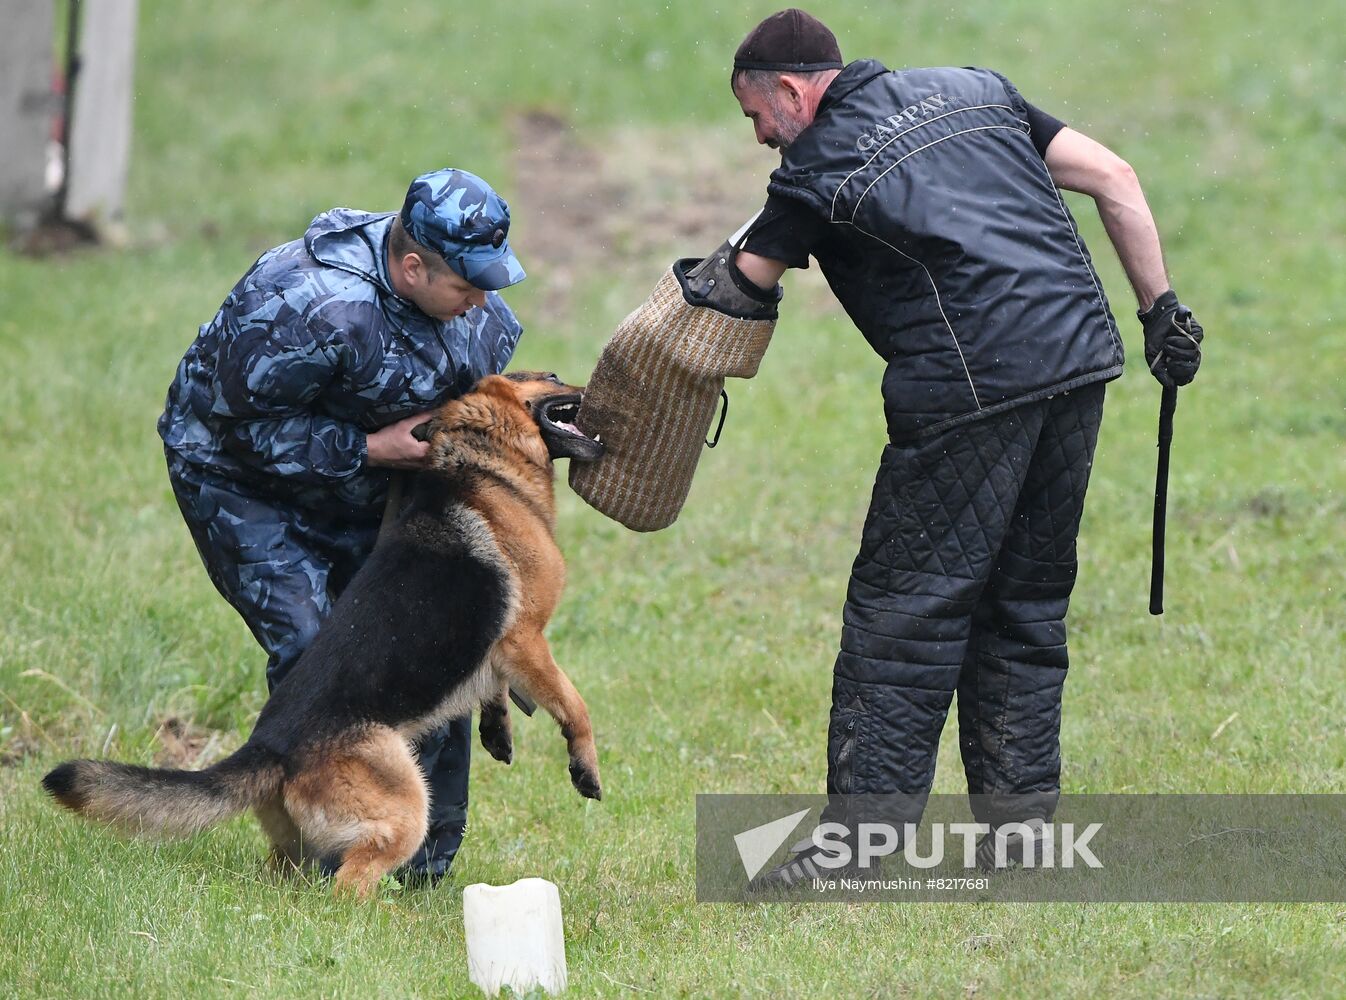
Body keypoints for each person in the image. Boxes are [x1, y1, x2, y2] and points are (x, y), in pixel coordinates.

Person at [719, 10, 1204, 884]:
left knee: (905, 613)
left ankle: (860, 850)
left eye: (759, 120)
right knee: (1025, 601)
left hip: (967, 390)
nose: (763, 142)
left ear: (792, 94)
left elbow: (735, 289)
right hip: (1077, 361)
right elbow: (1115, 177)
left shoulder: (813, 173)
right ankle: (1020, 839)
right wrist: (1160, 308)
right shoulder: (977, 90)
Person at [157, 168, 528, 884]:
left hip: (369, 486)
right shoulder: (308, 302)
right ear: (413, 266)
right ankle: (330, 863)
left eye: (493, 282)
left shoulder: (473, 307)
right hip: (242, 481)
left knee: (427, 650)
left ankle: (420, 866)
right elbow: (232, 428)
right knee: (311, 650)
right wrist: (366, 448)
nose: (483, 301)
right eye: (468, 285)